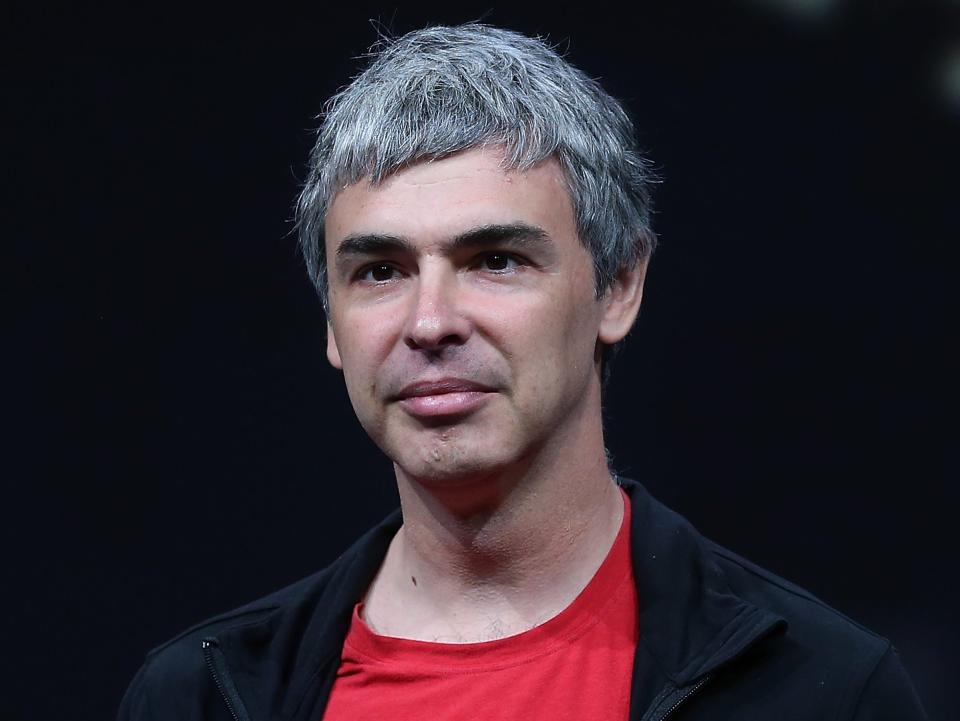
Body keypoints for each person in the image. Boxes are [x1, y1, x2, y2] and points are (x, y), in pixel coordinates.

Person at [118, 23, 927, 721]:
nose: (430, 322)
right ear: (330, 321)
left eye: (494, 260)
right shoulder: (198, 696)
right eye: (379, 272)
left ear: (617, 287)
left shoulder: (822, 690)